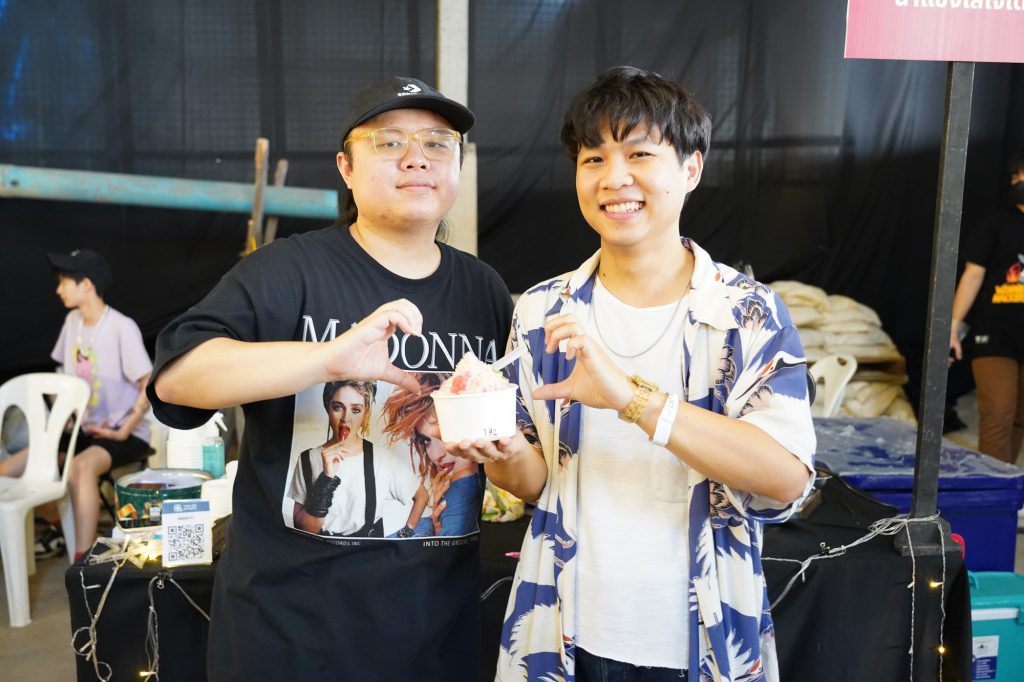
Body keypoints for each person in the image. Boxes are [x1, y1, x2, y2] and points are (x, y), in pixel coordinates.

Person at [448, 67, 816, 681]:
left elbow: (784, 479)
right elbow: (537, 484)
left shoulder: (745, 312)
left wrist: (631, 399)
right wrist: (503, 450)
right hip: (562, 630)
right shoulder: (542, 311)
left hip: (702, 639)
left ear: (691, 169)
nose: (613, 178)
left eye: (639, 154)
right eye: (593, 158)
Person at [148, 75, 512, 681]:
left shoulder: (484, 290)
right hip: (290, 638)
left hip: (436, 637)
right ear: (346, 168)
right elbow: (178, 379)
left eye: (437, 142)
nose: (417, 157)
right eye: (389, 142)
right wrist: (328, 360)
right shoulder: (286, 270)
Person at [0, 249, 153, 560]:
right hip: (81, 432)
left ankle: (83, 562)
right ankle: (60, 529)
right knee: (12, 469)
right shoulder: (72, 322)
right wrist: (65, 416)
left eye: (64, 282)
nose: (59, 289)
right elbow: (64, 378)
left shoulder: (121, 327)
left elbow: (149, 383)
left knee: (81, 468)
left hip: (122, 433)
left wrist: (124, 429)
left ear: (86, 284)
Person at [950, 153, 1024, 464]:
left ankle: (1006, 485)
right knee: (998, 413)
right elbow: (973, 275)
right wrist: (953, 326)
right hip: (994, 336)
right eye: (1016, 176)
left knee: (1019, 419)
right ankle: (992, 487)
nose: (1018, 181)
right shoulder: (995, 223)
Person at [288, 380, 427, 537]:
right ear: (328, 408)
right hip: (321, 550)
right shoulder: (307, 459)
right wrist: (326, 478)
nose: (345, 418)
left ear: (365, 413)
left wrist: (403, 535)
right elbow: (305, 530)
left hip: (367, 551)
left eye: (355, 410)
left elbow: (422, 496)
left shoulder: (381, 459)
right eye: (338, 407)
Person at [382, 372, 482, 536]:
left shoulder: (465, 485)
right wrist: (436, 530)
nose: (436, 455)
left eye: (443, 434)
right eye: (426, 441)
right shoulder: (452, 487)